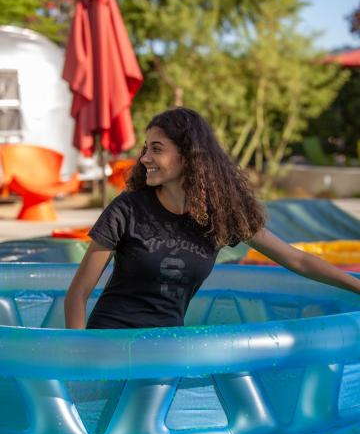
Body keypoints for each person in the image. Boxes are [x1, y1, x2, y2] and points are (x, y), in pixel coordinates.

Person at [64, 107, 360, 329]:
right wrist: (81, 360)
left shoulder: (220, 215)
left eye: (157, 149)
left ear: (188, 156)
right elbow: (77, 295)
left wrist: (357, 286)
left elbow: (298, 260)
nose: (144, 158)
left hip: (165, 352)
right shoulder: (127, 208)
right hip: (109, 343)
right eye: (145, 149)